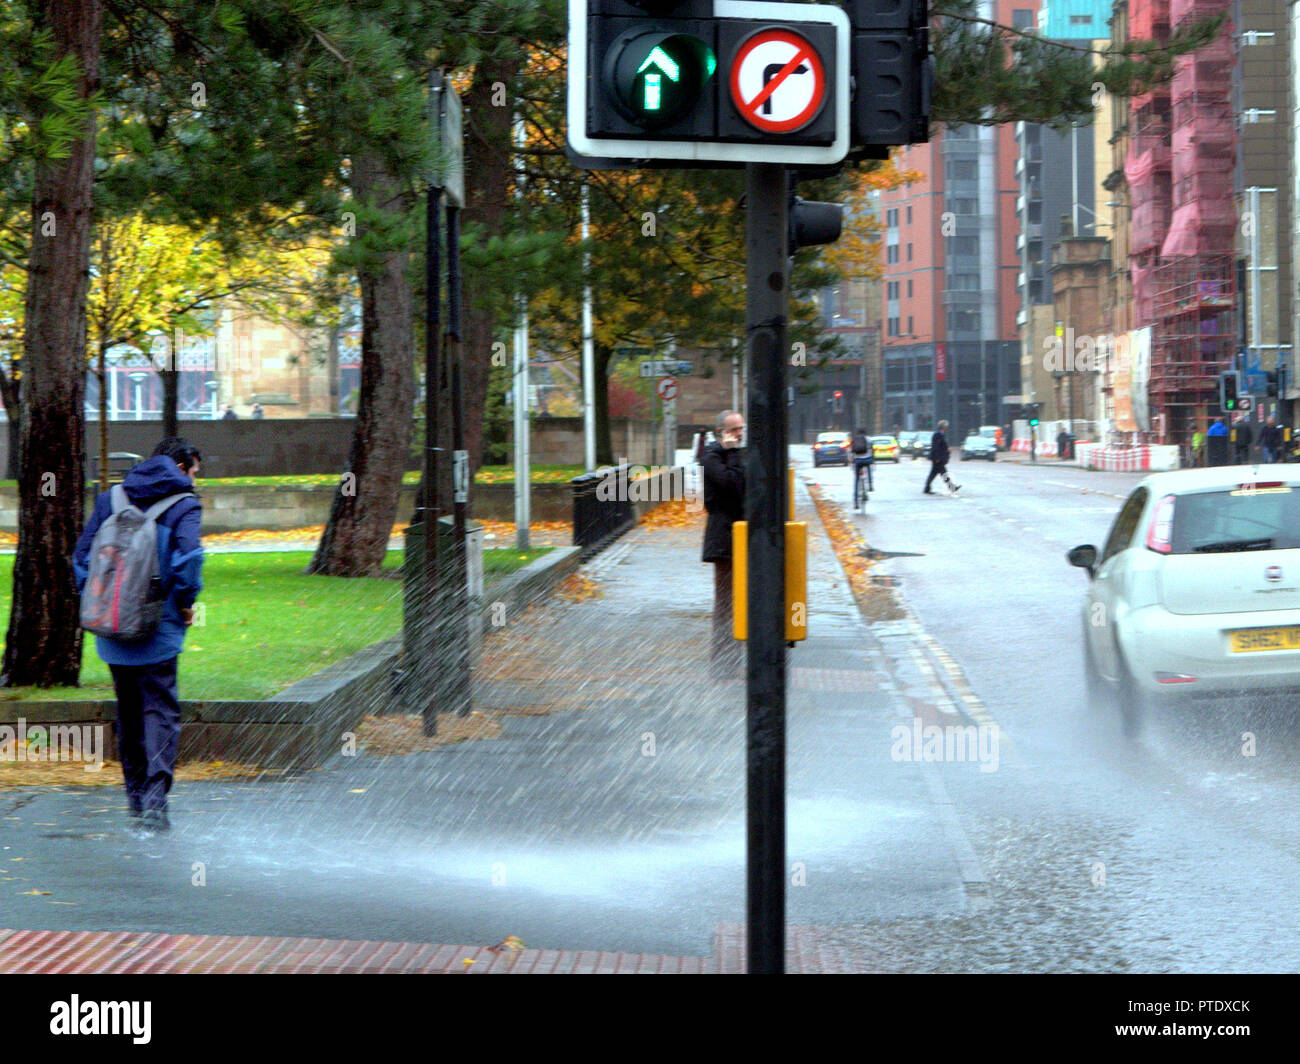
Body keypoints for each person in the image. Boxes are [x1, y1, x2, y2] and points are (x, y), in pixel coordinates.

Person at [73, 438, 204, 833]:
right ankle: (155, 800)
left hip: (112, 625)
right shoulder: (185, 504)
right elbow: (189, 560)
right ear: (181, 466)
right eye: (195, 471)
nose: (197, 479)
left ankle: (135, 799)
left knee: (128, 713)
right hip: (158, 625)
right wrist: (185, 602)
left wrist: (99, 600)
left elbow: (82, 558)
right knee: (160, 709)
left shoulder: (111, 498)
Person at [702, 410, 745, 673]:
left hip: (742, 533)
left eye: (741, 428)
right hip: (724, 537)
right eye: (733, 429)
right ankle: (723, 660)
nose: (739, 433)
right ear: (721, 432)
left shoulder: (737, 455)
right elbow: (733, 485)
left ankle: (736, 655)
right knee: (726, 601)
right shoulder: (712, 457)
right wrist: (731, 453)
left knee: (742, 599)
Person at [923, 420, 959, 495]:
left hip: (938, 458)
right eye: (946, 426)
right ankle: (952, 488)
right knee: (942, 473)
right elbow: (936, 447)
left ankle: (927, 488)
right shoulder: (938, 434)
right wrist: (937, 458)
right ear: (944, 427)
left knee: (935, 473)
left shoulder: (940, 434)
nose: (947, 428)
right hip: (938, 458)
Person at [849, 427, 874, 503]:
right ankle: (870, 484)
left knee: (856, 479)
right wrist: (873, 459)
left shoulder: (854, 439)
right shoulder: (868, 439)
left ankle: (856, 500)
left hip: (858, 460)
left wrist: (852, 460)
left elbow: (851, 451)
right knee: (869, 467)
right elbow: (871, 450)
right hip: (867, 459)